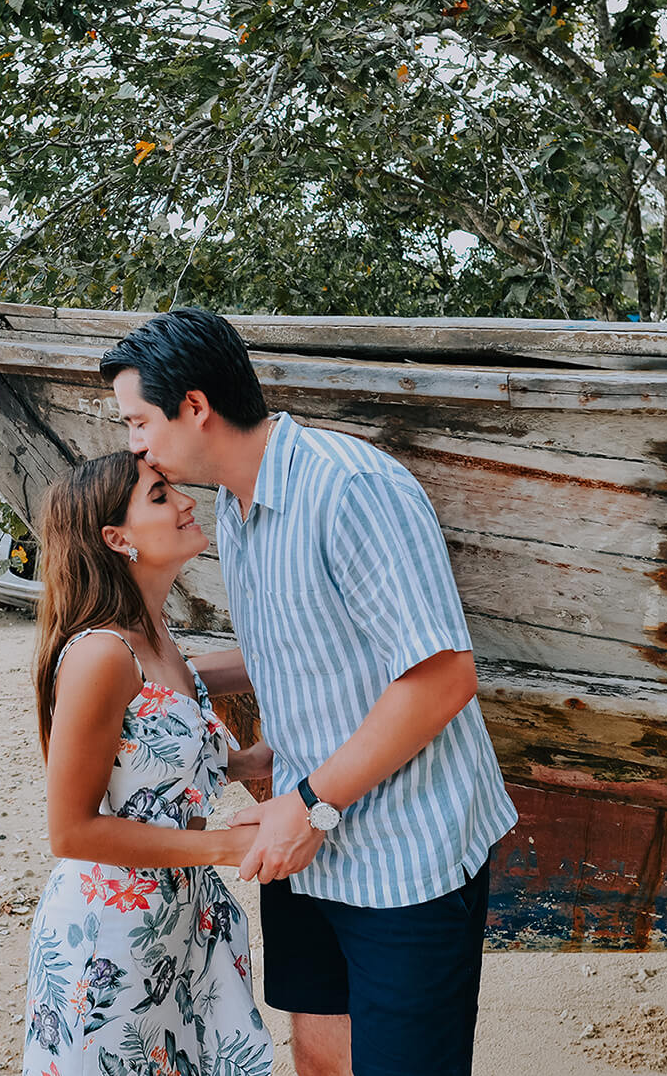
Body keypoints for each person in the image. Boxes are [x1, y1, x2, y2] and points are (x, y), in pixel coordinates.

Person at [101, 308, 517, 1076]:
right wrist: (137, 674)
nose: (134, 445)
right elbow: (297, 649)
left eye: (139, 421)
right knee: (321, 1062)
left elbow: (441, 677)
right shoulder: (235, 503)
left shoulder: (350, 488)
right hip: (304, 843)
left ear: (195, 407)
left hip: (402, 853)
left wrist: (313, 802)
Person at [22, 450, 276, 1076]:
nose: (188, 501)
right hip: (109, 934)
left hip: (180, 915)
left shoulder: (160, 642)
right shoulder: (101, 655)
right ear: (117, 538)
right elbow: (71, 830)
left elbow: (159, 761)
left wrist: (243, 765)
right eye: (161, 496)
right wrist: (221, 847)